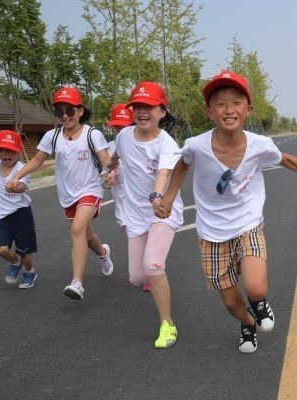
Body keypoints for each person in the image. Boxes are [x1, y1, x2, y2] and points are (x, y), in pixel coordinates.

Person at [155, 70, 297, 353]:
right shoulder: (197, 146)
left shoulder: (259, 145)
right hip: (211, 232)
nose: (229, 109)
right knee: (231, 303)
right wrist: (168, 197)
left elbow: (286, 159)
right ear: (209, 111)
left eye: (236, 102)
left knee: (255, 288)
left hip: (248, 223)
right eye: (220, 104)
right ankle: (247, 323)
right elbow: (182, 165)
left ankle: (260, 304)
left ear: (248, 109)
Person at [6, 86, 114, 300]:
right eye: (59, 112)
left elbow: (105, 162)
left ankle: (77, 283)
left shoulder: (93, 135)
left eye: (70, 111)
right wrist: (16, 176)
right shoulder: (52, 136)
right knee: (85, 233)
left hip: (90, 189)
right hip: (67, 194)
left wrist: (109, 175)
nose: (65, 116)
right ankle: (103, 253)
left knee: (77, 229)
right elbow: (38, 160)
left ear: (80, 111)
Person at [104, 82, 183, 349]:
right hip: (136, 215)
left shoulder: (167, 143)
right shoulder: (124, 136)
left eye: (149, 106)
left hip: (161, 212)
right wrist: (110, 171)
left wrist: (156, 196)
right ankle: (154, 283)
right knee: (137, 277)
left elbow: (163, 173)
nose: (142, 111)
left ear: (162, 110)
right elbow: (115, 157)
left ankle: (167, 325)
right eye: (137, 106)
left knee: (153, 265)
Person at [0, 130, 38, 288]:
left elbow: (23, 187)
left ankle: (30, 272)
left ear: (18, 150)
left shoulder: (21, 168)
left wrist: (15, 187)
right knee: (1, 249)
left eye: (9, 150)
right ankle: (15, 263)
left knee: (25, 251)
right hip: (1, 217)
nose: (5, 154)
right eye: (1, 150)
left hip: (20, 214)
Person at [105, 103, 133, 230]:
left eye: (125, 126)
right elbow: (104, 178)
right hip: (124, 213)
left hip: (146, 209)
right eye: (118, 127)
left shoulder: (143, 146)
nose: (121, 131)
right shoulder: (108, 148)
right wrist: (108, 179)